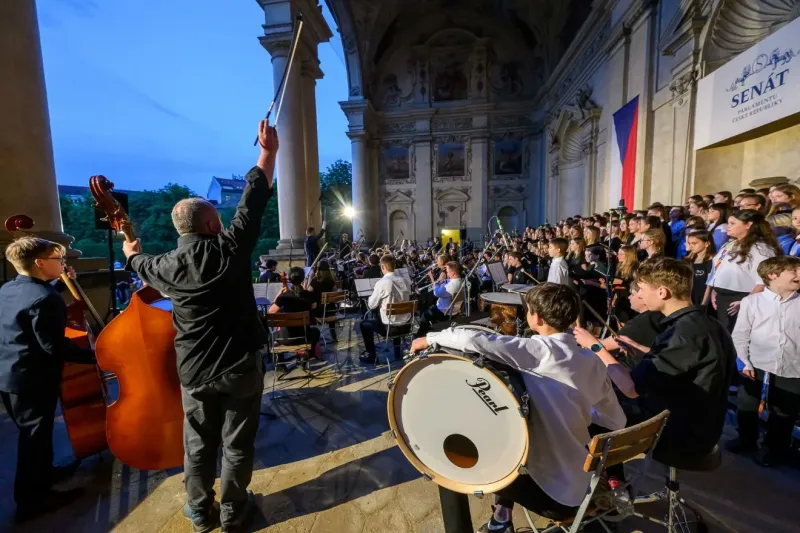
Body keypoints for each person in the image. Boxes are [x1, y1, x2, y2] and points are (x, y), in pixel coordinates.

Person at [122, 120, 278, 533]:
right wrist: (267, 152)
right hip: (240, 365)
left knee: (197, 444)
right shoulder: (231, 248)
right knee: (237, 443)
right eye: (218, 219)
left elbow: (137, 262)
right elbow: (253, 200)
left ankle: (200, 512)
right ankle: (232, 511)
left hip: (194, 371)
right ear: (211, 226)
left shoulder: (162, 266)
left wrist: (130, 250)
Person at [410, 283, 626, 532]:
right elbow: (616, 421)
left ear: (537, 318)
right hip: (583, 485)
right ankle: (501, 518)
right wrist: (575, 412)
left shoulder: (537, 351)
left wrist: (428, 338)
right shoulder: (592, 362)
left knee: (448, 464)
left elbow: (473, 339)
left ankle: (480, 524)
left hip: (554, 496)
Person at [575, 257, 735, 462]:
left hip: (679, 435)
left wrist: (595, 347)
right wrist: (640, 349)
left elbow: (631, 389)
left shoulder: (682, 334)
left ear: (662, 292)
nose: (639, 294)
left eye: (641, 289)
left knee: (585, 414)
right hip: (704, 426)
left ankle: (610, 477)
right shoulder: (709, 324)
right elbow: (685, 365)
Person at [0, 238, 95, 523]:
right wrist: (96, 357)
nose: (64, 264)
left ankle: (46, 474)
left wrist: (58, 283)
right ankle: (30, 502)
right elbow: (54, 347)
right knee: (33, 439)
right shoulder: (45, 299)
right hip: (32, 378)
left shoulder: (9, 288)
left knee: (36, 435)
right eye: (58, 259)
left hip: (9, 373)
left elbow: (34, 305)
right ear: (40, 262)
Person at [729, 256, 800, 466]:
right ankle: (746, 439)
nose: (799, 275)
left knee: (784, 410)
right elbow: (740, 335)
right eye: (794, 271)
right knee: (747, 403)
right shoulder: (752, 302)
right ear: (772, 275)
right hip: (756, 363)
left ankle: (775, 449)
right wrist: (745, 362)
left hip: (792, 365)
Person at [703, 209, 783, 332]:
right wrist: (715, 289)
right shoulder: (731, 244)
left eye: (733, 223)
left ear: (748, 225)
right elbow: (719, 267)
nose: (728, 227)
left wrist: (745, 302)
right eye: (728, 223)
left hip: (740, 298)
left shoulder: (760, 249)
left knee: (736, 335)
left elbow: (764, 280)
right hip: (722, 298)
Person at [359, 255, 412, 364]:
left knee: (364, 324)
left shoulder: (382, 283)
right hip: (407, 326)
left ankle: (372, 356)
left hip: (390, 328)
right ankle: (397, 352)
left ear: (383, 267)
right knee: (396, 316)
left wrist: (371, 297)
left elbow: (371, 305)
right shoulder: (405, 281)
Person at [269, 266, 321, 359]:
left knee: (272, 336)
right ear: (302, 280)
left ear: (290, 280)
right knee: (316, 332)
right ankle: (308, 355)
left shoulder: (283, 297)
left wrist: (278, 296)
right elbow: (314, 307)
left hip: (285, 339)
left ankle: (280, 362)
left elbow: (271, 312)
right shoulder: (309, 295)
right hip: (305, 337)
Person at [416, 261, 464, 337]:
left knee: (424, 315)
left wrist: (434, 280)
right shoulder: (460, 281)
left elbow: (436, 293)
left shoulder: (451, 285)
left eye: (448, 272)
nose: (447, 274)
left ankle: (420, 335)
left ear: (453, 274)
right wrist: (442, 282)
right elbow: (446, 284)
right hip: (454, 311)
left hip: (444, 312)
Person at [684, 229, 716, 306]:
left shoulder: (712, 261)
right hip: (690, 299)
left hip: (704, 300)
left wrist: (704, 303)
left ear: (707, 244)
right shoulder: (689, 260)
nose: (691, 246)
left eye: (694, 243)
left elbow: (709, 285)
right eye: (689, 243)